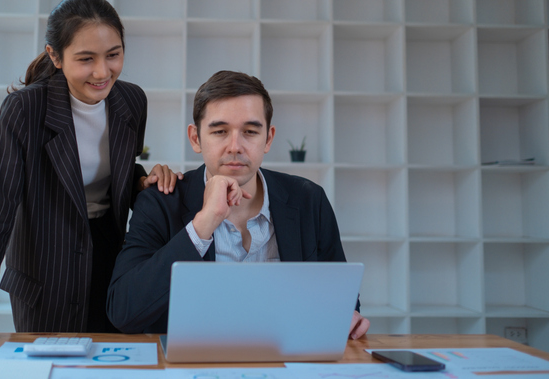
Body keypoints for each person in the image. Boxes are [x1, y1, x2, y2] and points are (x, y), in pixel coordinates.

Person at [0, 0, 182, 354]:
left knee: (116, 362)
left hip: (112, 254)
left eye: (113, 55)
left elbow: (115, 168)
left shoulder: (132, 100)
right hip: (46, 264)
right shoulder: (26, 109)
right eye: (86, 59)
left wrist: (141, 181)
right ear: (55, 56)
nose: (103, 72)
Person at [106, 70, 370, 340]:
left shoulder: (309, 199)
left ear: (268, 138)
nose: (235, 146)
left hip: (287, 362)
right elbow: (123, 312)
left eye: (250, 132)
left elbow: (344, 302)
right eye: (220, 131)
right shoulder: (160, 202)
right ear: (196, 138)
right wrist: (202, 225)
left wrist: (346, 317)